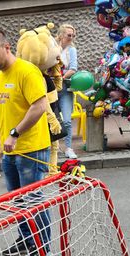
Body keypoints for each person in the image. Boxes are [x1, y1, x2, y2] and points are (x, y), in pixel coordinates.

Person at [0, 29, 52, 256]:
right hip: (10, 149)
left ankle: (43, 248)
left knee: (33, 199)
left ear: (7, 47)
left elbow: (39, 106)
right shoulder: (0, 76)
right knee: (18, 200)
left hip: (31, 148)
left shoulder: (27, 71)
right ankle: (26, 238)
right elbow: (3, 113)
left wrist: (14, 134)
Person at [57, 23, 78, 159]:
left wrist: (62, 77)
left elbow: (73, 68)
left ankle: (68, 148)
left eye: (73, 35)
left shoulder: (72, 50)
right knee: (53, 120)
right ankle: (54, 147)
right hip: (51, 89)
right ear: (61, 35)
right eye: (68, 35)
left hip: (64, 87)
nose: (71, 37)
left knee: (67, 120)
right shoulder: (53, 48)